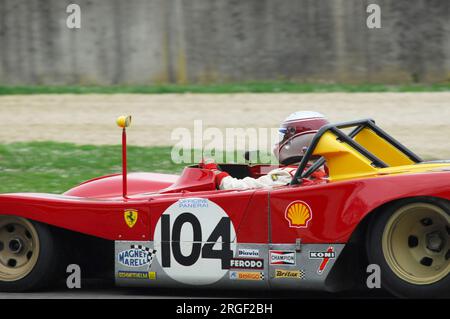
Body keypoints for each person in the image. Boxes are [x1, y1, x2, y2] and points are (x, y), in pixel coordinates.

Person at [202, 111, 329, 190]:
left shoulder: (287, 175)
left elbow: (234, 187)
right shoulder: (324, 169)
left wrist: (213, 170)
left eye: (283, 136)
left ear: (297, 142)